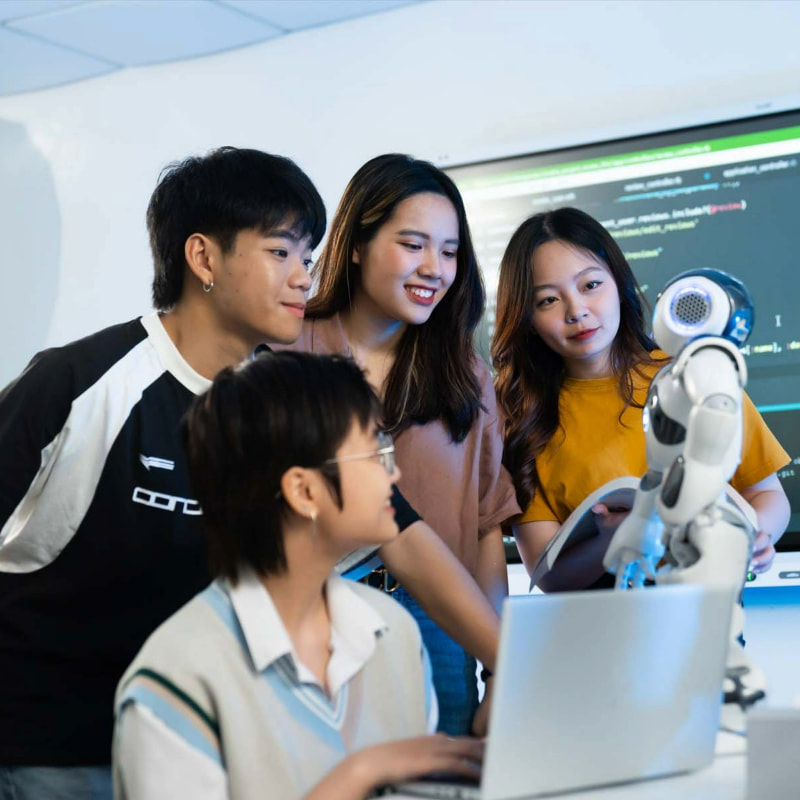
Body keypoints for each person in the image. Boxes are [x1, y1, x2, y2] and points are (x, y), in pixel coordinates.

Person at [0, 147, 497, 800]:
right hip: (51, 746)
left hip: (205, 727)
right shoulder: (79, 382)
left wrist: (509, 666)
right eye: (280, 252)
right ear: (203, 258)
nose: (303, 279)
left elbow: (404, 536)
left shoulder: (285, 401)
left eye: (308, 258)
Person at [113, 351, 483, 800]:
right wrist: (360, 773)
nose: (394, 473)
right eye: (376, 454)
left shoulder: (395, 634)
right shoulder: (177, 681)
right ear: (303, 491)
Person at [283, 154, 521, 735]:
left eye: (450, 251)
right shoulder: (286, 349)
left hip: (442, 624)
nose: (435, 269)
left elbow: (485, 528)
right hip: (318, 613)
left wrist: (499, 669)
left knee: (446, 775)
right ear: (357, 244)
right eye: (413, 245)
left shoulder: (465, 373)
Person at [492, 207, 790, 592]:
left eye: (590, 285)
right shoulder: (522, 418)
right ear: (527, 318)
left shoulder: (696, 374)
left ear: (619, 283)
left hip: (708, 606)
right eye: (548, 300)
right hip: (601, 619)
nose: (576, 311)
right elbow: (546, 574)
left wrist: (759, 535)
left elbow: (766, 493)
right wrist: (613, 537)